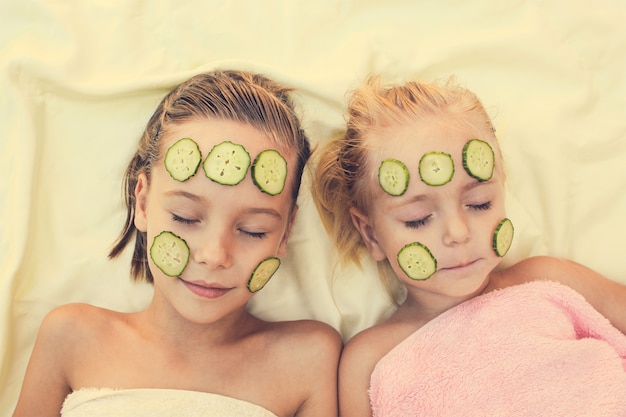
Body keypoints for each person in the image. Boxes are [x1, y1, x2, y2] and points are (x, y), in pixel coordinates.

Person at [13, 70, 342, 417]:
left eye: (253, 230)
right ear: (142, 203)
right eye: (185, 217)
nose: (214, 255)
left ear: (286, 232)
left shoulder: (309, 357)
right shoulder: (71, 336)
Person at [312, 75, 626, 416]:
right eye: (418, 218)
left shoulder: (548, 279)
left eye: (479, 203)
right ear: (371, 234)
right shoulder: (369, 359)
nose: (458, 233)